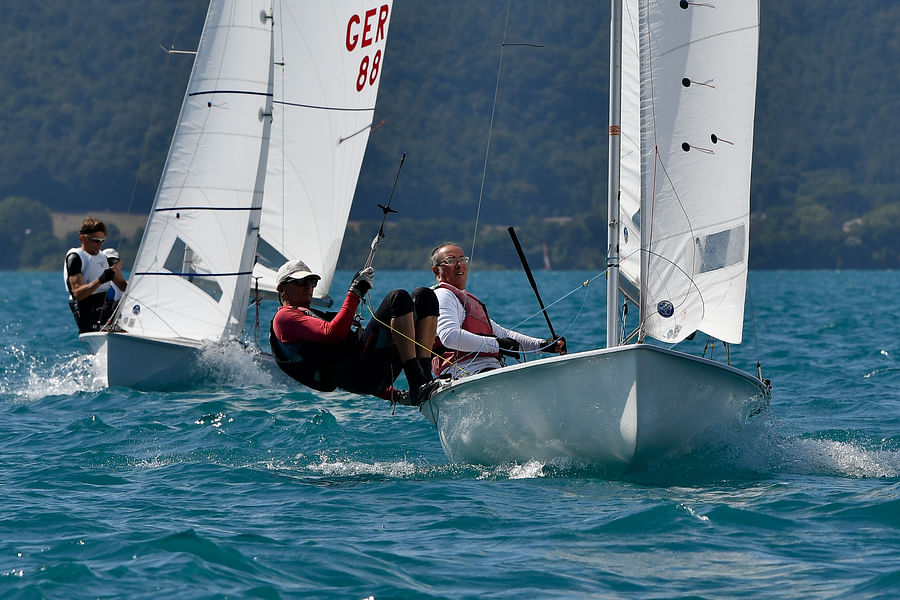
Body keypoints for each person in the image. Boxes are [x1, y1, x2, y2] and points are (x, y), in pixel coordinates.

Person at [270, 259, 438, 405]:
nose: (308, 287)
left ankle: (425, 379)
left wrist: (396, 396)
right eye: (300, 282)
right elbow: (334, 334)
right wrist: (355, 292)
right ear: (281, 288)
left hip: (367, 374)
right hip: (359, 373)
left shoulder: (312, 317)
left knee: (424, 296)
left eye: (311, 282)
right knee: (397, 298)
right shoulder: (284, 318)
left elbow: (341, 358)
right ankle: (417, 383)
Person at [430, 242, 566, 379]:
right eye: (451, 261)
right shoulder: (443, 295)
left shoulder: (465, 300)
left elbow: (502, 334)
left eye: (462, 259)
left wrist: (543, 345)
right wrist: (497, 345)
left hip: (489, 371)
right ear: (436, 271)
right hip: (463, 374)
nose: (459, 264)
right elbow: (450, 337)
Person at [63, 218, 128, 333]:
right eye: (96, 240)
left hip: (104, 305)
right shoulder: (76, 257)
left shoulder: (103, 257)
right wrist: (100, 280)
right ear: (83, 238)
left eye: (102, 241)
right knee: (116, 330)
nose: (100, 244)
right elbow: (78, 293)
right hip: (85, 308)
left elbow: (122, 285)